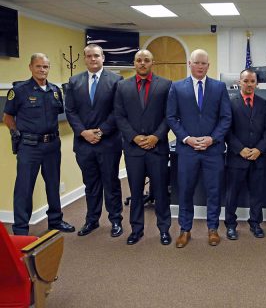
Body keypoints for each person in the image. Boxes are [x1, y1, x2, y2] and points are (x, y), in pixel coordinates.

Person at [2, 53, 75, 235]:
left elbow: (59, 111)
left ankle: (55, 221)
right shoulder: (19, 90)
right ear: (30, 67)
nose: (42, 70)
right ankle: (20, 229)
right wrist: (16, 134)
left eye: (45, 67)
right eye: (38, 66)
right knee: (24, 188)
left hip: (51, 145)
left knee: (53, 184)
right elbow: (8, 117)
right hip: (29, 146)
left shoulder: (54, 90)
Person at [167, 49, 232, 248]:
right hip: (188, 151)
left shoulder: (219, 87)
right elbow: (171, 117)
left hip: (213, 151)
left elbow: (225, 117)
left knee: (214, 191)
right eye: (197, 63)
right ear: (190, 63)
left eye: (204, 63)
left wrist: (212, 139)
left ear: (208, 66)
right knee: (186, 191)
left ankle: (213, 229)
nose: (201, 66)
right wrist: (187, 138)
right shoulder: (177, 88)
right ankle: (185, 230)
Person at [65, 44, 124, 238]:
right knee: (90, 184)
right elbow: (71, 111)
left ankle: (115, 220)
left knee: (111, 183)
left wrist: (100, 131)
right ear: (84, 58)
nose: (93, 59)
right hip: (84, 144)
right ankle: (92, 220)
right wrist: (83, 133)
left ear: (103, 58)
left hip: (108, 143)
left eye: (96, 56)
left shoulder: (116, 80)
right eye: (89, 56)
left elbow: (118, 111)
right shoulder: (74, 81)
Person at [114, 49, 172, 246]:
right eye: (139, 60)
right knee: (136, 192)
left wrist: (156, 136)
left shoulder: (165, 85)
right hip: (134, 150)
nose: (142, 63)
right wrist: (134, 137)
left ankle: (164, 230)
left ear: (152, 63)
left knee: (161, 192)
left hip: (157, 148)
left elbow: (169, 116)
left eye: (146, 60)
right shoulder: (122, 86)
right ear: (134, 63)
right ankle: (136, 230)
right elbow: (119, 116)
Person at [224, 69, 266, 240]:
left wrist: (259, 149)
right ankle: (230, 225)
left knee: (257, 194)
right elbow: (227, 131)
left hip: (257, 158)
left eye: (252, 81)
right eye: (246, 81)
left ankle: (255, 223)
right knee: (232, 194)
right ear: (240, 82)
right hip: (237, 158)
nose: (249, 84)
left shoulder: (264, 104)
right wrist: (240, 149)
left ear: (257, 83)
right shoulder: (230, 103)